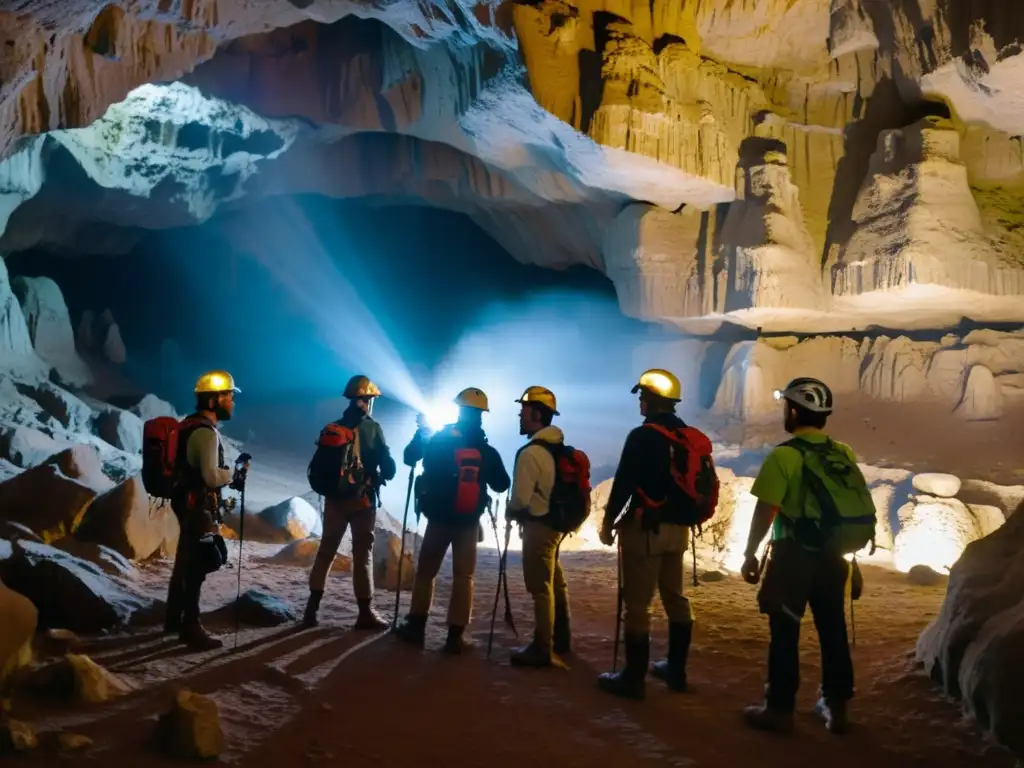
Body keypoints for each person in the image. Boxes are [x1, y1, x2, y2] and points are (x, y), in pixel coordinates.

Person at [739, 377, 868, 735]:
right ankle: (837, 708)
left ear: (794, 411)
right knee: (833, 630)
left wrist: (750, 553)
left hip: (794, 556)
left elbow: (766, 509)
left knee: (784, 631)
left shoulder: (785, 455)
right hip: (834, 556)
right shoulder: (842, 452)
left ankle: (779, 710)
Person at [597, 369, 702, 700]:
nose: (640, 401)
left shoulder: (642, 436)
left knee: (638, 605)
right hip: (679, 530)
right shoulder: (686, 435)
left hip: (646, 529)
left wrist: (609, 521)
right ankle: (676, 669)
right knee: (675, 597)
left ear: (654, 400)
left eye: (643, 396)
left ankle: (633, 677)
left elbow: (625, 482)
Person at [394, 387, 510, 654]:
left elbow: (409, 457)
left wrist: (421, 431)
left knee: (426, 572)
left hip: (438, 518)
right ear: (481, 414)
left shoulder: (440, 439)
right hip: (469, 521)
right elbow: (502, 484)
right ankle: (455, 637)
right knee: (464, 576)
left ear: (458, 410)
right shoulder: (485, 449)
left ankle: (416, 626)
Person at [303, 375, 397, 630]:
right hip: (362, 501)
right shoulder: (372, 428)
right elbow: (389, 469)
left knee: (326, 552)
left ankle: (311, 610)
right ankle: (365, 612)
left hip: (334, 499)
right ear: (367, 401)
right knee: (362, 555)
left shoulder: (333, 426)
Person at [165, 370, 247, 651]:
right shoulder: (206, 433)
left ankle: (174, 620)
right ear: (215, 400)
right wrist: (232, 475)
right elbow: (211, 477)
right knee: (200, 563)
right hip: (197, 506)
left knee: (186, 559)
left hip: (184, 502)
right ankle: (191, 627)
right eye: (229, 397)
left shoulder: (188, 425)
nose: (232, 403)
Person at [506, 386, 572, 668]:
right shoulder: (558, 447)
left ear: (536, 413)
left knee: (540, 586)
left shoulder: (531, 452)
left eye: (523, 410)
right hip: (556, 525)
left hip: (538, 526)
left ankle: (543, 647)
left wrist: (511, 511)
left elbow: (520, 498)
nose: (520, 415)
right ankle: (562, 638)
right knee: (555, 581)